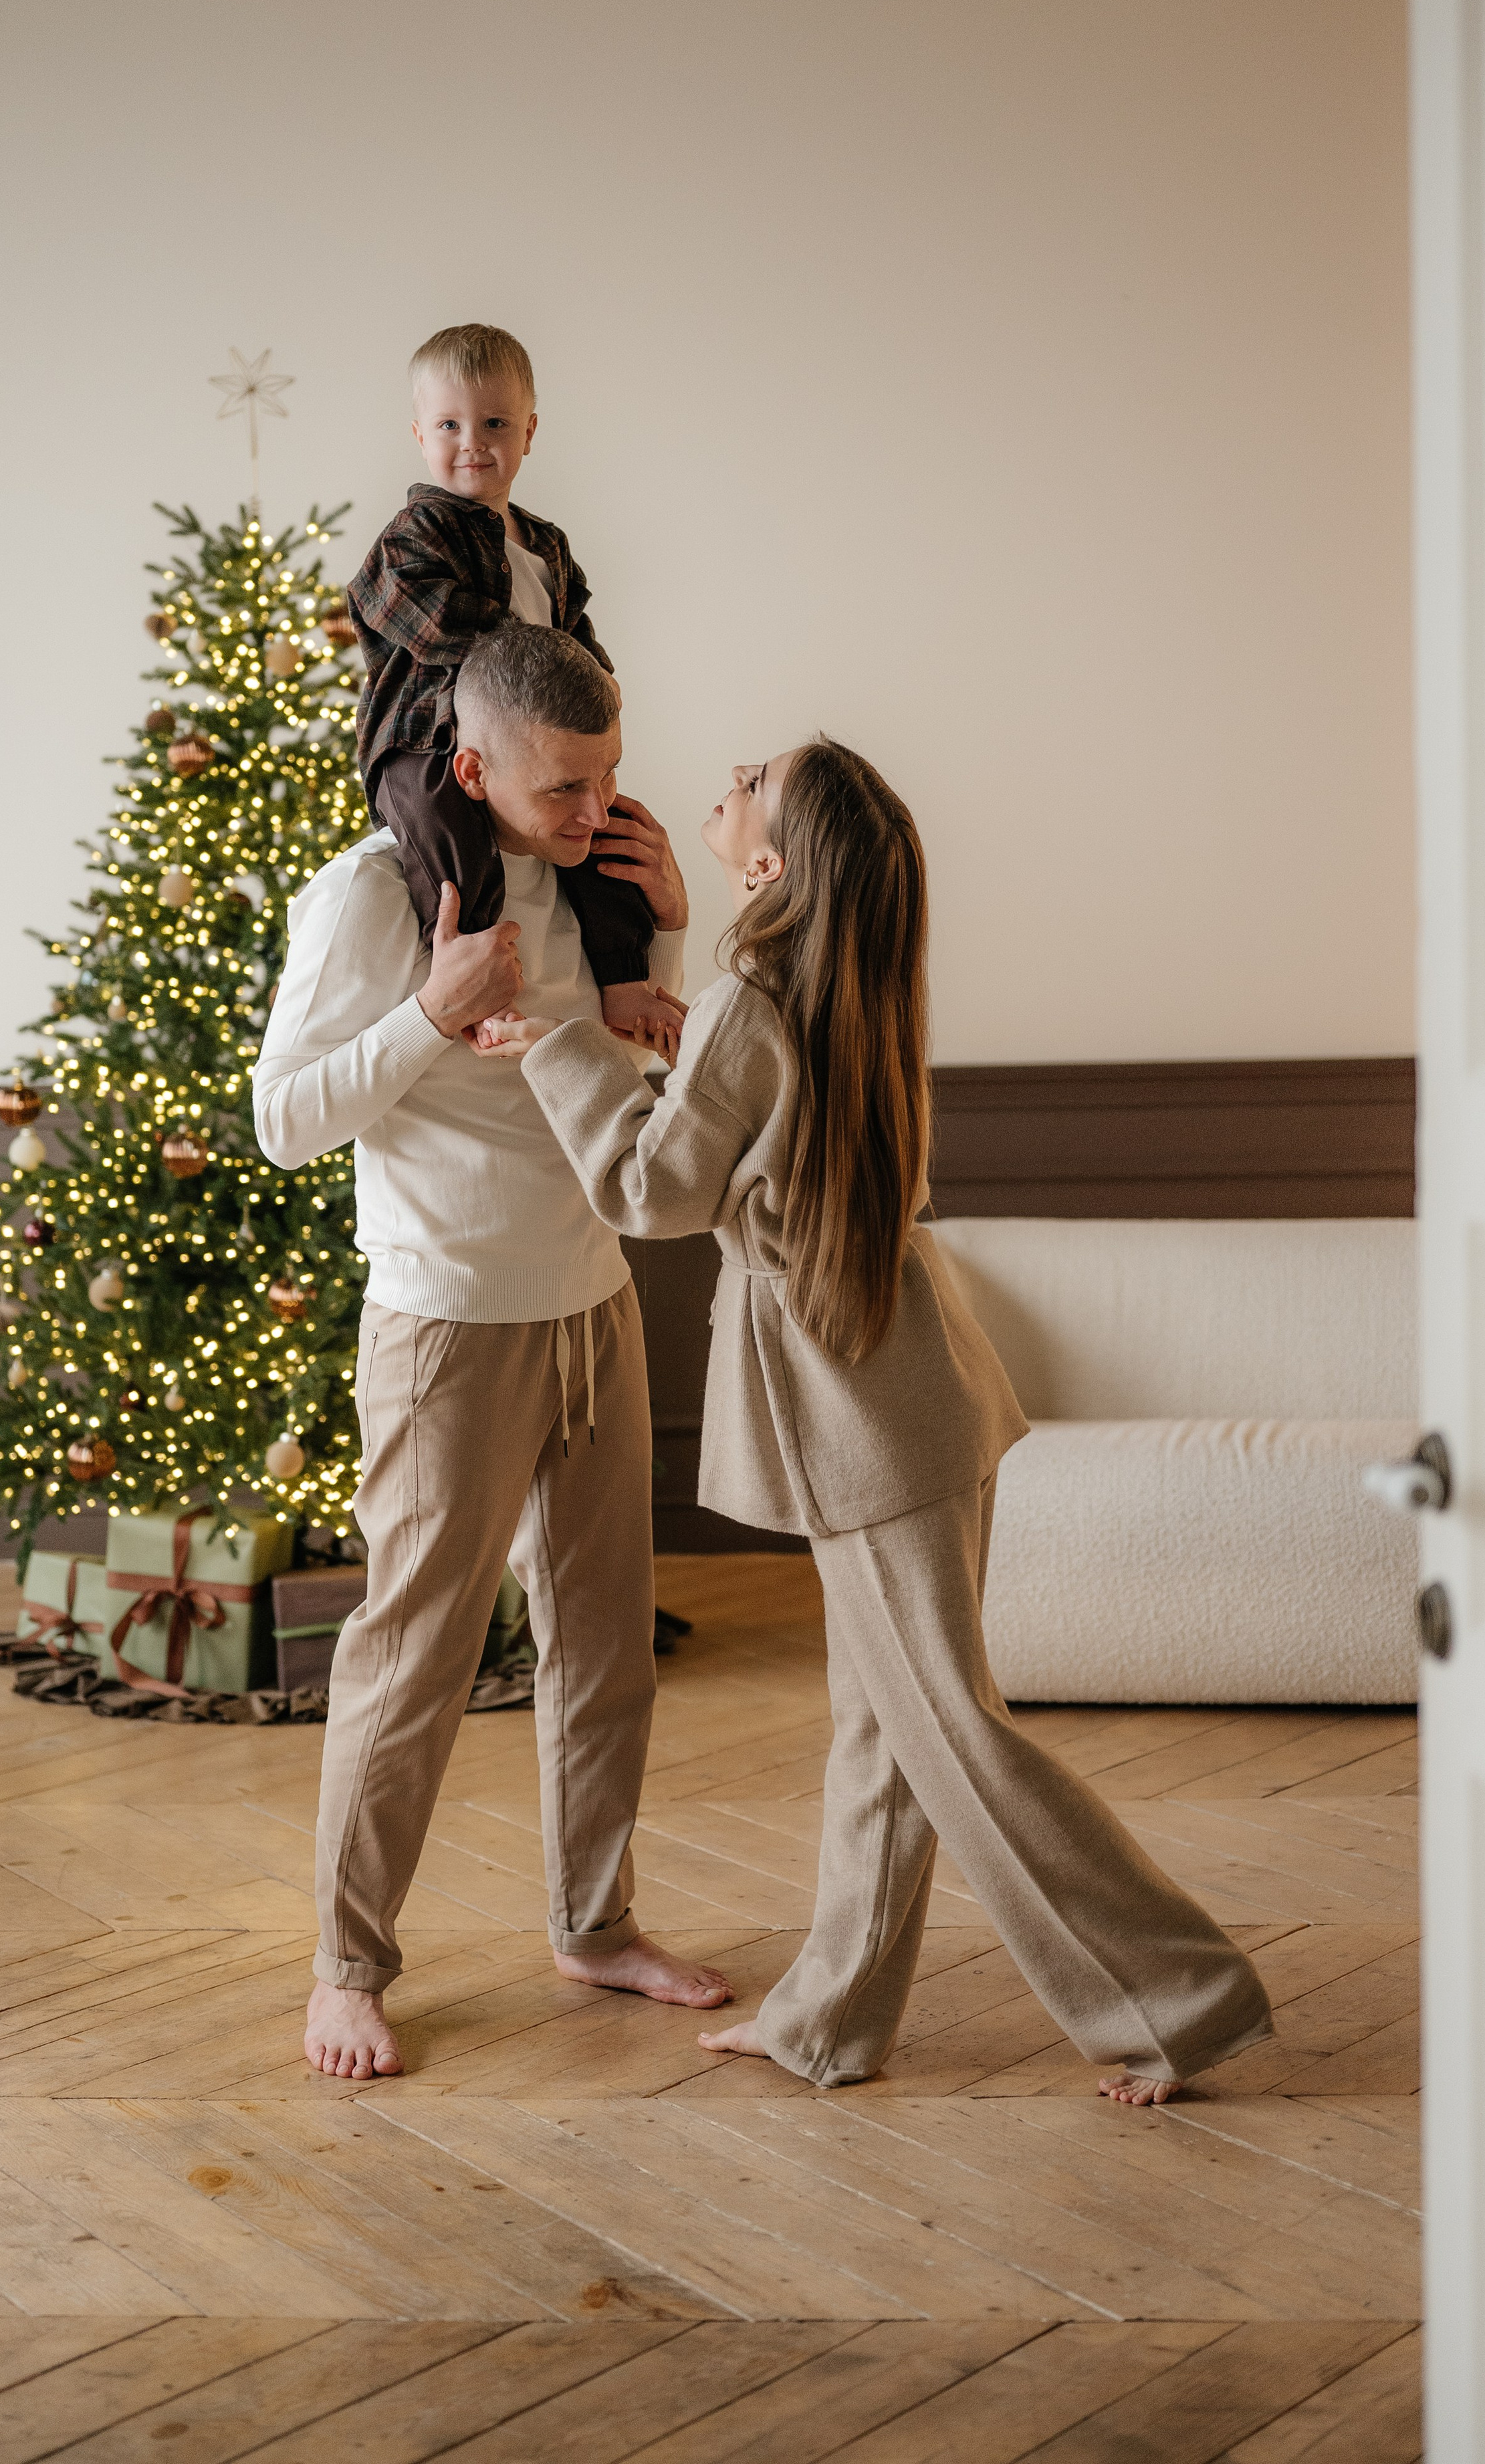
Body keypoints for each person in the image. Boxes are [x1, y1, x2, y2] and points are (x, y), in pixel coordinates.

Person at [479, 739, 1275, 2102]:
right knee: (881, 1728)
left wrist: (560, 1052)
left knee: (948, 1728)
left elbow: (654, 1193)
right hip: (916, 1392)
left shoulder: (752, 997)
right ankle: (828, 2019)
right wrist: (675, 1057)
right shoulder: (831, 986)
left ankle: (1174, 1998)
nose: (723, 781)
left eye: (750, 782)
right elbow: (757, 1137)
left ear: (771, 863)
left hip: (864, 1418)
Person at [253, 621, 731, 2082]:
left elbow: (625, 1071)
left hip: (590, 1301)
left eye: (609, 780)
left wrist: (668, 929)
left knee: (605, 1652)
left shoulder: (598, 886)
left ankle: (592, 1923)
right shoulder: (369, 893)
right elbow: (283, 1119)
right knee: (412, 1659)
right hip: (443, 1324)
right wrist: (421, 1013)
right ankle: (348, 1966)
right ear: (470, 763)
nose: (595, 813)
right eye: (562, 789)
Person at [348, 321, 683, 1053]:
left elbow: (577, 624)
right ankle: (471, 979)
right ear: (419, 433)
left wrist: (594, 674)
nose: (473, 440)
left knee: (599, 824)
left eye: (495, 422)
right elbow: (424, 622)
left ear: (529, 432)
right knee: (452, 844)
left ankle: (626, 979)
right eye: (449, 424)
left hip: (538, 751)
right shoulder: (416, 536)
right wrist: (530, 661)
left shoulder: (545, 544)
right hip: (429, 745)